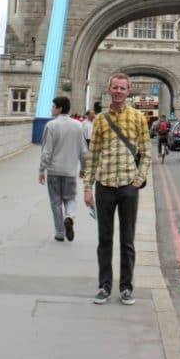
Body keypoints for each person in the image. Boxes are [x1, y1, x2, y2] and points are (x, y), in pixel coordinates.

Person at [83, 73, 150, 306]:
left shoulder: (139, 118)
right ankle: (104, 286)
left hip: (128, 186)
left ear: (128, 91)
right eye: (115, 87)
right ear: (109, 89)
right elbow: (92, 155)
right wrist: (87, 188)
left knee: (127, 240)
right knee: (104, 239)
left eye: (123, 88)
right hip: (104, 185)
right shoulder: (100, 119)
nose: (119, 91)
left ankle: (126, 288)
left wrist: (138, 179)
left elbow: (147, 152)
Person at [39, 95, 88, 241]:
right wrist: (83, 168)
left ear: (59, 108)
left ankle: (60, 232)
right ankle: (69, 217)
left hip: (54, 171)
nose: (51, 109)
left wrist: (42, 170)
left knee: (55, 202)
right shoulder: (78, 126)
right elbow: (84, 151)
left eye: (53, 106)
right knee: (70, 198)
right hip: (70, 170)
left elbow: (46, 151)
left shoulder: (51, 125)